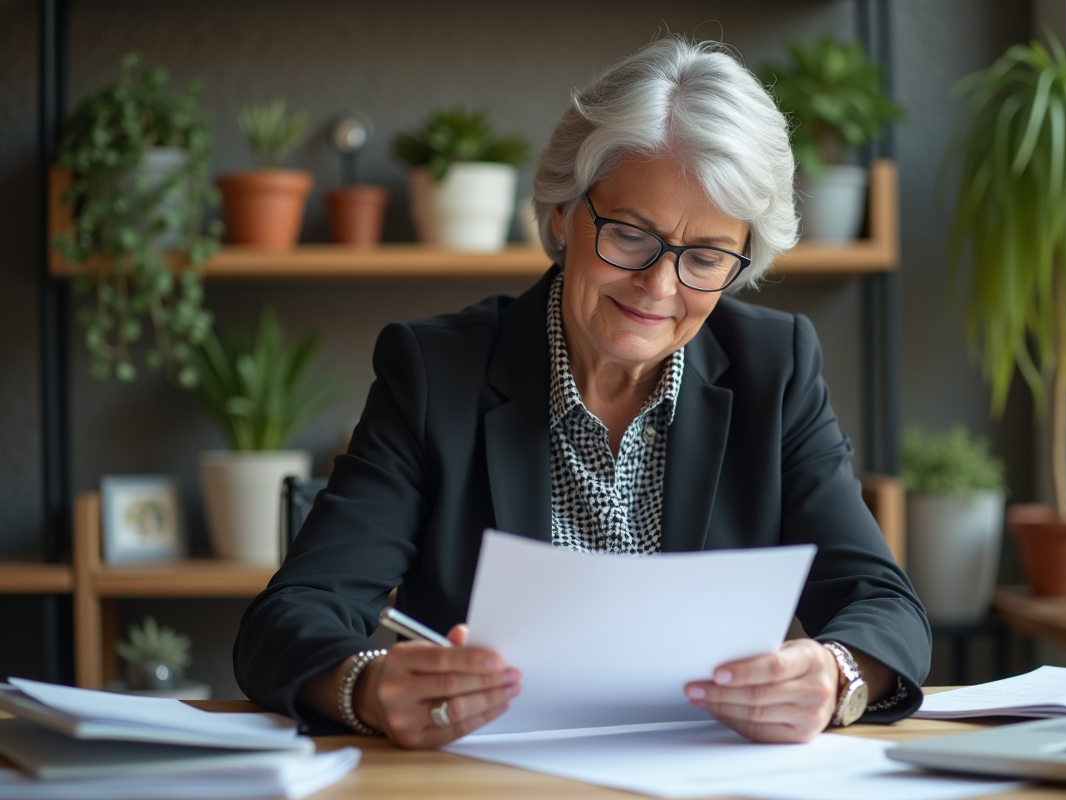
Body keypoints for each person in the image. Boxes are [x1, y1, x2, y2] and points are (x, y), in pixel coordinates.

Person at [234, 37, 930, 750]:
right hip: (488, 780)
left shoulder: (774, 369)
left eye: (705, 258)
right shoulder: (437, 373)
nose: (658, 287)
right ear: (564, 214)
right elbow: (289, 617)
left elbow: (885, 606)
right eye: (629, 236)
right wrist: (367, 687)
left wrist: (837, 674)